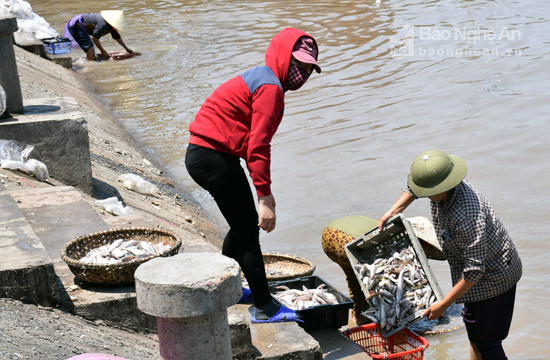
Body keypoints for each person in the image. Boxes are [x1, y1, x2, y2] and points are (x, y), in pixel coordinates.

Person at [185, 28, 321, 323]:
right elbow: (258, 145)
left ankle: (228, 287)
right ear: (283, 56)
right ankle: (264, 306)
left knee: (241, 225)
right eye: (298, 64)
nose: (303, 72)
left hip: (209, 155)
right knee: (248, 231)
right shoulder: (270, 88)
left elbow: (250, 144)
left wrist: (261, 191)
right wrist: (265, 196)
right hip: (211, 157)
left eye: (309, 67)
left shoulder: (265, 78)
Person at [378, 149, 522, 360]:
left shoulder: (467, 215)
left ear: (441, 187)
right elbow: (413, 188)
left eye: (427, 190)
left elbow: (474, 270)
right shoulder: (442, 185)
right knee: (473, 330)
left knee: (488, 342)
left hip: (496, 277)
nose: (423, 194)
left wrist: (443, 304)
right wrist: (394, 211)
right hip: (474, 275)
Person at [321, 215, 444, 326]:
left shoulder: (390, 231)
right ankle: (373, 322)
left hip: (328, 235)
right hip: (344, 239)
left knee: (354, 279)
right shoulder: (392, 241)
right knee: (375, 283)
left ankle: (358, 319)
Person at [64, 10, 135, 61]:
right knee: (89, 46)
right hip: (76, 26)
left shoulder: (112, 26)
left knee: (90, 46)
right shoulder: (103, 24)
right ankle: (90, 63)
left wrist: (127, 49)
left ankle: (90, 59)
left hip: (81, 26)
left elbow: (117, 38)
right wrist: (103, 51)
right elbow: (94, 38)